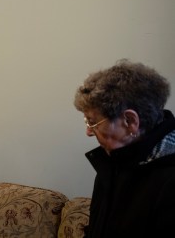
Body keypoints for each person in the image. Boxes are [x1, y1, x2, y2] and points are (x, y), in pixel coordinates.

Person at [73, 59, 175, 237]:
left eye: (93, 121)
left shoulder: (170, 181)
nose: (89, 131)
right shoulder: (112, 163)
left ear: (130, 121)